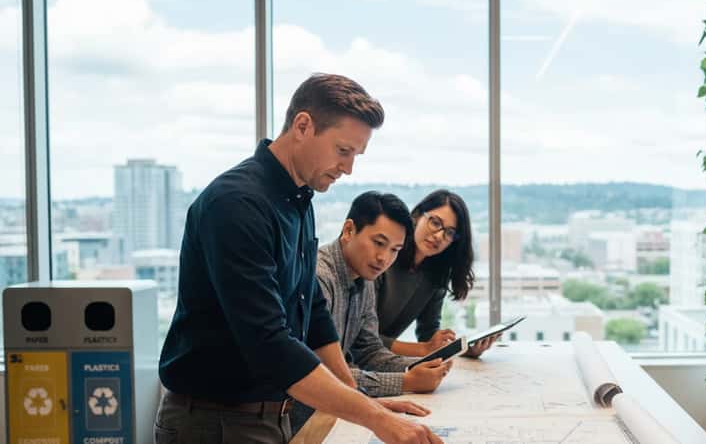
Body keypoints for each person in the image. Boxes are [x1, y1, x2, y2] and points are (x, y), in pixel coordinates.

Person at [155, 73, 441, 444]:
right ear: (303, 126)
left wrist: (362, 398)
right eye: (343, 151)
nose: (349, 168)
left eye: (356, 155)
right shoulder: (237, 204)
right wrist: (376, 420)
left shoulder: (298, 202)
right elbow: (269, 343)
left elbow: (315, 317)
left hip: (267, 417)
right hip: (215, 423)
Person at [291, 191, 453, 434]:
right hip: (299, 420)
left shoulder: (363, 278)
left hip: (330, 414)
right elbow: (323, 373)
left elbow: (369, 351)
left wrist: (419, 367)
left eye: (395, 250)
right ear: (348, 231)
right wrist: (406, 380)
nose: (384, 258)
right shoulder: (320, 277)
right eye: (379, 243)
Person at [376, 189, 499, 358]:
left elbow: (428, 335)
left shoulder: (435, 275)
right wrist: (424, 349)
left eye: (449, 233)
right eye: (435, 223)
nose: (439, 236)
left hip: (378, 361)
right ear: (418, 216)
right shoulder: (383, 258)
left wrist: (463, 350)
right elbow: (360, 337)